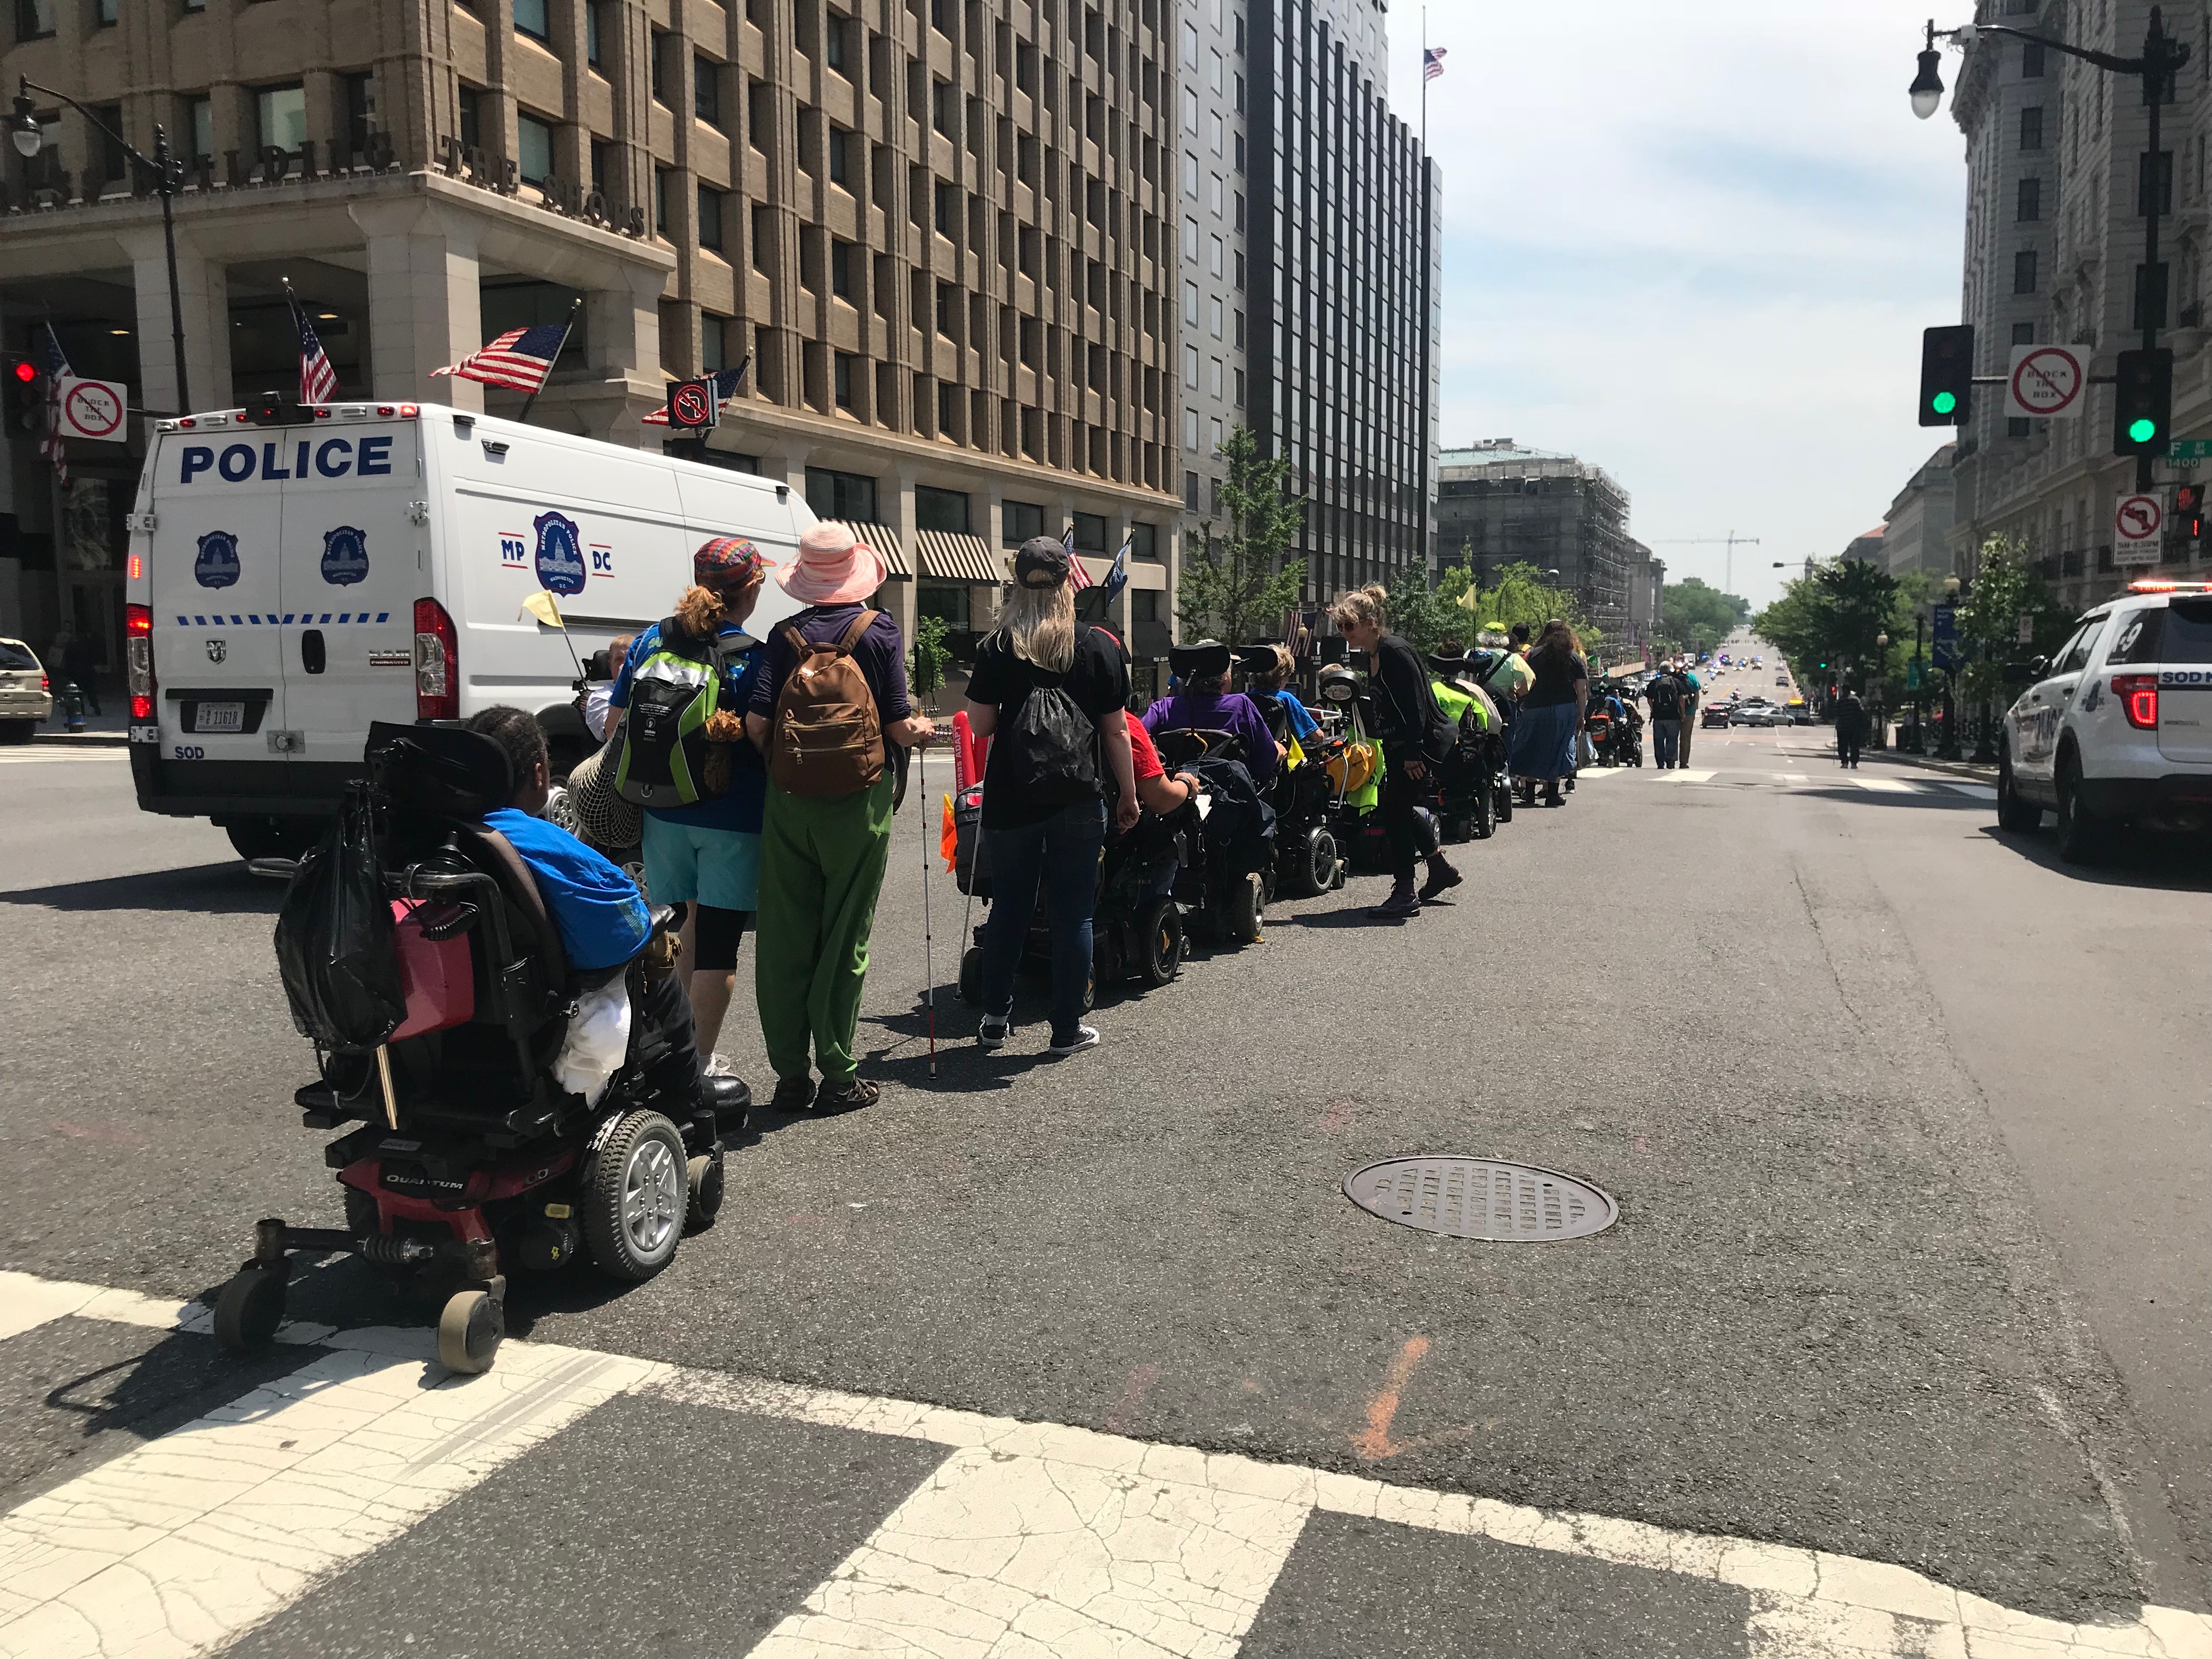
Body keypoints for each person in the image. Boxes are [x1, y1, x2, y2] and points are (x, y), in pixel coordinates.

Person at [460, 705, 747, 1119]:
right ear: (540, 774)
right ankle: (685, 1099)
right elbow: (624, 930)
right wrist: (648, 925)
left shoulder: (440, 831)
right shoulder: (542, 842)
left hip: (470, 1014)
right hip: (541, 1005)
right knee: (657, 959)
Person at [744, 523, 935, 1113]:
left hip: (791, 799)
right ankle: (837, 1073)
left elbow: (757, 725)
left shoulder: (783, 635)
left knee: (785, 936)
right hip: (860, 802)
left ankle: (789, 1077)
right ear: (856, 576)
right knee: (845, 932)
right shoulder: (878, 631)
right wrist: (923, 730)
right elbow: (898, 724)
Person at [963, 537, 1139, 1058]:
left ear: (1017, 585)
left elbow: (980, 725)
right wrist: (1129, 795)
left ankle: (996, 1021)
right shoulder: (1098, 644)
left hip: (1011, 797)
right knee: (1074, 914)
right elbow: (1117, 731)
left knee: (1010, 909)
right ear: (1070, 583)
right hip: (1078, 796)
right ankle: (1066, 1029)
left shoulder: (998, 646)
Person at [605, 541, 766, 1073]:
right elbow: (762, 737)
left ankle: (666, 1052)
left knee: (677, 932)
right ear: (752, 589)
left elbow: (614, 727)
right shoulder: (753, 654)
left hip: (662, 810)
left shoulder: (651, 639)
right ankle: (697, 1065)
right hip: (731, 816)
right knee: (718, 944)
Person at [1331, 585, 1461, 917]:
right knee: (1398, 808)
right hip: (1398, 745)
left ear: (1370, 623)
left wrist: (1413, 753)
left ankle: (1405, 892)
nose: (1344, 632)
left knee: (1395, 812)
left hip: (1416, 745)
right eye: (1340, 626)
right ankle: (1439, 869)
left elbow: (1416, 705)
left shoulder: (1394, 651)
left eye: (1349, 625)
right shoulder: (1374, 654)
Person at [1143, 640, 1284, 789]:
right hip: (1230, 797)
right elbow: (1265, 762)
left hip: (1174, 793)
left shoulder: (1163, 708)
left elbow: (1136, 742)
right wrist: (1276, 753)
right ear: (1225, 678)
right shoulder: (1241, 706)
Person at [1510, 620, 1588, 806]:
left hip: (1535, 706)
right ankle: (1553, 793)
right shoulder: (1573, 657)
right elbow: (1582, 690)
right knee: (1560, 746)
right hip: (1564, 707)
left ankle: (1529, 791)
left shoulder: (1533, 655)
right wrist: (1581, 715)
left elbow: (1523, 681)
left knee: (1532, 745)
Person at [1645, 662, 1688, 768]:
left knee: (1659, 741)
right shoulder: (1676, 682)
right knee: (1672, 740)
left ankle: (1660, 763)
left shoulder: (1655, 682)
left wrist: (1653, 709)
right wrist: (1682, 713)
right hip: (1673, 716)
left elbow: (1649, 699)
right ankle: (1670, 761)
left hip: (1658, 717)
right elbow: (1681, 699)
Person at [62, 630, 101, 716]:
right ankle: (96, 708)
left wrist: (66, 673)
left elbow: (67, 660)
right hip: (88, 671)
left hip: (75, 672)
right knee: (91, 691)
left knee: (77, 692)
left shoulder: (71, 646)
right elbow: (93, 656)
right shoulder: (88, 645)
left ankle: (80, 710)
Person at [1677, 658, 1703, 766]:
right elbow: (1697, 694)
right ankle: (1684, 762)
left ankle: (1670, 761)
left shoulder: (1673, 677)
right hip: (1689, 712)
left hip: (1675, 712)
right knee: (1686, 738)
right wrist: (1695, 708)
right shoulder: (1692, 677)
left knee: (1672, 738)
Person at [1835, 686, 1870, 769]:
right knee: (1854, 746)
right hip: (1854, 727)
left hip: (1843, 727)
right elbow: (1861, 711)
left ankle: (1844, 762)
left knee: (1843, 746)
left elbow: (1836, 713)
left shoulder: (1840, 701)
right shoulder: (1856, 700)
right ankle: (1854, 763)